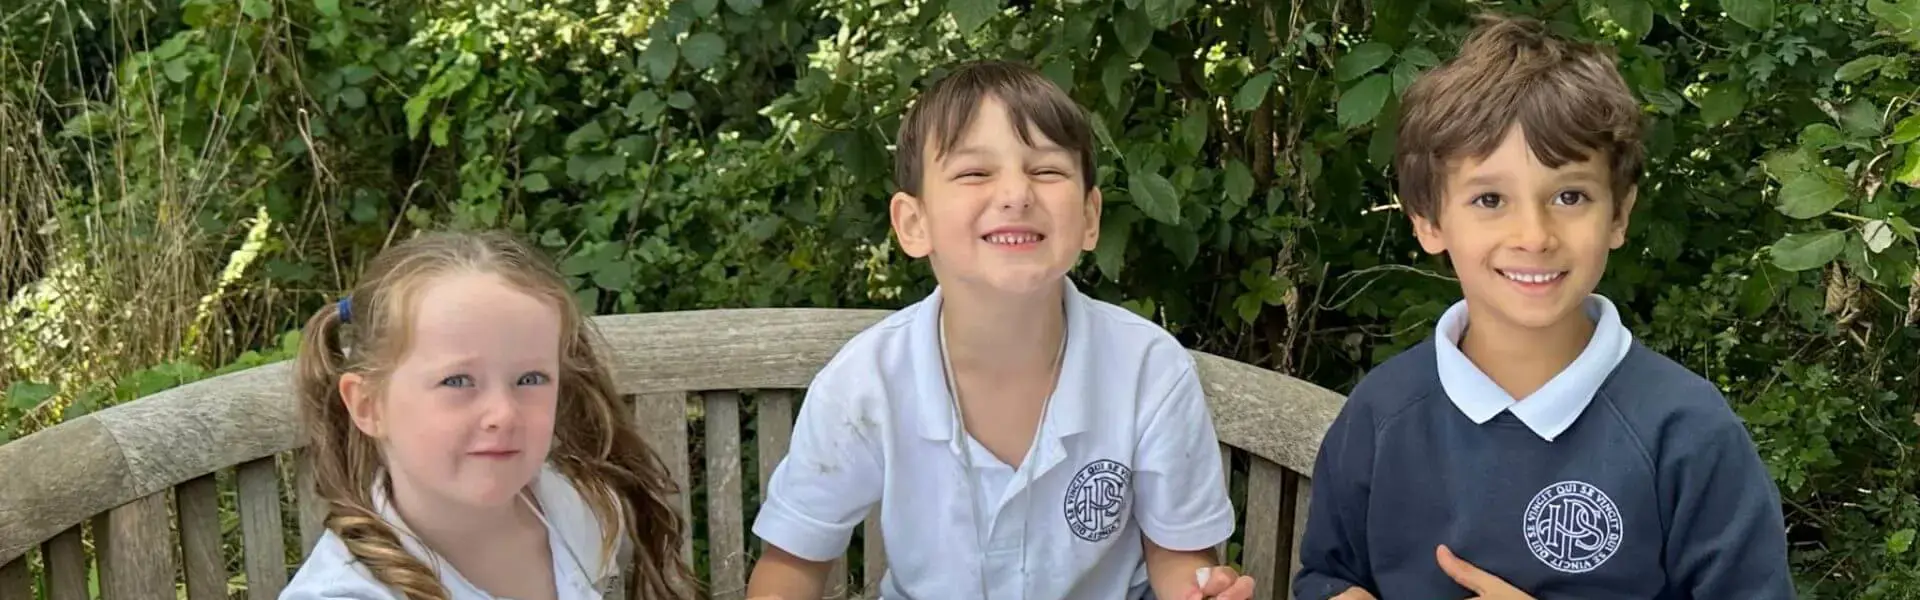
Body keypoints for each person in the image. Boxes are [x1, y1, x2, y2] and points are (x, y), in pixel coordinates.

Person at [1290, 13, 1795, 600]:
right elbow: (1327, 577)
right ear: (1428, 221)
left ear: (1620, 213)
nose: (1534, 234)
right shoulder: (1382, 412)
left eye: (1570, 195)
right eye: (1489, 199)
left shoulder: (1688, 433)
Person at [743, 60, 1255, 600]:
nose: (1016, 193)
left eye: (1048, 171)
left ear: (1088, 217)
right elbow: (792, 564)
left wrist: (1200, 592)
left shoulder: (1148, 368)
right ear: (913, 224)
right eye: (974, 173)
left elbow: (1179, 555)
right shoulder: (865, 383)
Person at [281, 230, 694, 600]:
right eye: (458, 382)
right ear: (368, 406)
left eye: (531, 378)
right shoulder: (346, 593)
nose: (503, 413)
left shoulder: (573, 510)